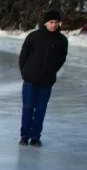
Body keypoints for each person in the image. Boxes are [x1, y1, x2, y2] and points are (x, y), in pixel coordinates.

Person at [18, 9, 67, 147]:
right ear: (45, 23)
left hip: (46, 82)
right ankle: (24, 136)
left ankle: (35, 137)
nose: (54, 25)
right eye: (51, 22)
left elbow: (61, 59)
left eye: (56, 22)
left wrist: (51, 71)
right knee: (28, 107)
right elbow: (23, 56)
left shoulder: (62, 40)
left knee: (41, 109)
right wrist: (25, 72)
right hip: (30, 80)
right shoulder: (33, 36)